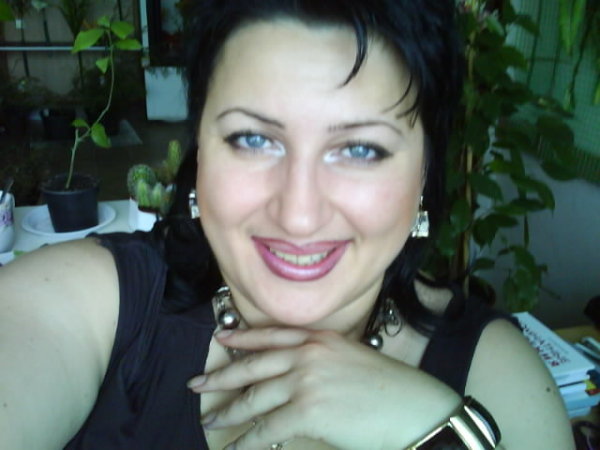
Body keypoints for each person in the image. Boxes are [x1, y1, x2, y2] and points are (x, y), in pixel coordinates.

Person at [0, 1, 574, 449]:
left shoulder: (498, 379)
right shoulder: (86, 306)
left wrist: (439, 431)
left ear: (425, 173)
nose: (298, 215)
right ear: (199, 154)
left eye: (361, 149)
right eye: (253, 139)